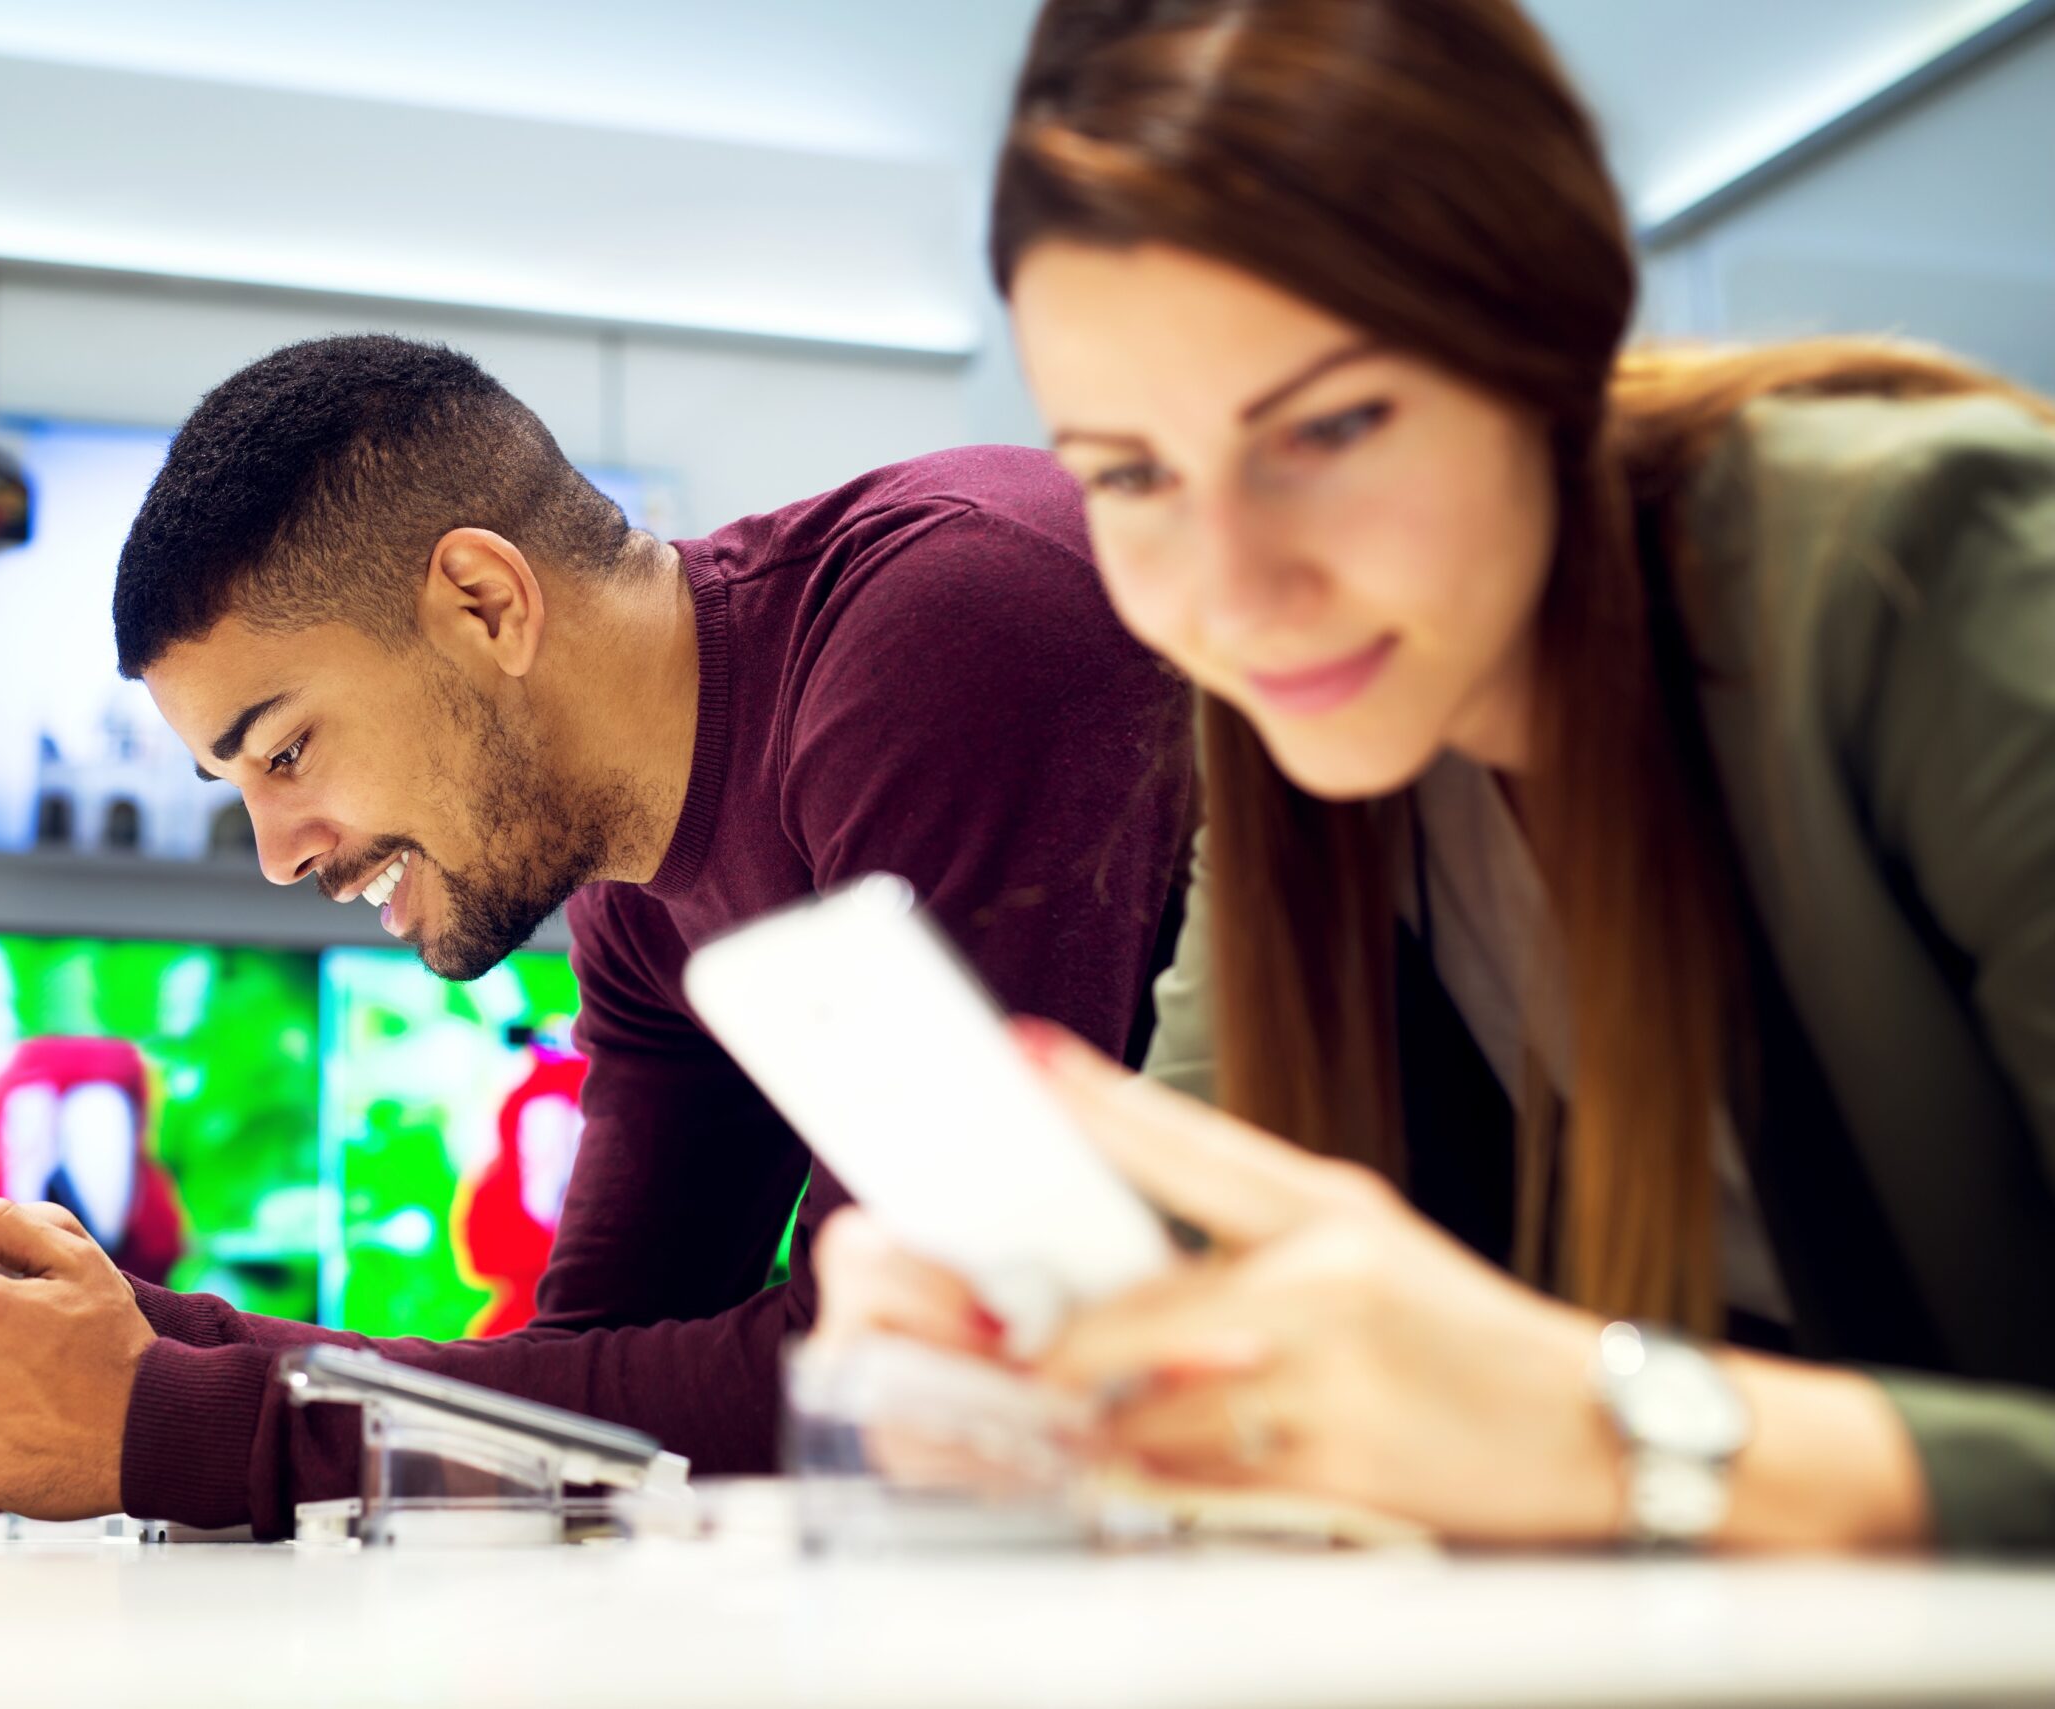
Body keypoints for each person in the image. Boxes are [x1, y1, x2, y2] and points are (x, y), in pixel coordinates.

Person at [813, 0, 2055, 1552]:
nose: (1238, 594)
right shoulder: (1312, 747)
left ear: (1550, 341)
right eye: (1131, 472)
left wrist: (1610, 1433)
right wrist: (1023, 1348)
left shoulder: (1923, 565)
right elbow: (1203, 1277)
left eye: (1331, 426)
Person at [0, 335, 1194, 1535]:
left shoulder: (945, 630)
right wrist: (152, 1336)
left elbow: (911, 1375)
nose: (280, 855)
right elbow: (598, 1385)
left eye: (286, 751)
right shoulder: (635, 904)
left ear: (484, 603)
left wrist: (177, 1419)